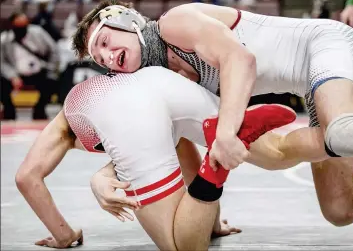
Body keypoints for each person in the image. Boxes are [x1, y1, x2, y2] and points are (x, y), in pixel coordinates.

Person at [71, 0, 353, 215]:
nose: (106, 57)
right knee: (340, 208)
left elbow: (240, 60)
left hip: (325, 45)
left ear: (126, 20)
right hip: (312, 84)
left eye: (104, 41)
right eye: (98, 58)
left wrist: (226, 132)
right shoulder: (157, 79)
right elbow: (160, 141)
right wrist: (101, 178)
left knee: (343, 132)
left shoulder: (173, 23)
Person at [16, 66, 296, 250]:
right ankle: (327, 141)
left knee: (180, 247)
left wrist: (65, 234)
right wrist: (211, 223)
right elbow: (184, 152)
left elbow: (26, 177)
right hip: (156, 89)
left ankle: (218, 160)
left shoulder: (67, 125)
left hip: (111, 109)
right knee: (278, 154)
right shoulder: (96, 112)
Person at [1, 12, 59, 120]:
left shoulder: (38, 33)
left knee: (52, 80)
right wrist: (12, 76)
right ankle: (9, 112)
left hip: (39, 72)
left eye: (24, 27)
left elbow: (53, 51)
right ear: (12, 27)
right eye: (18, 28)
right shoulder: (4, 40)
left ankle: (39, 110)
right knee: (2, 83)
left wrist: (51, 69)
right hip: (16, 75)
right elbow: (2, 62)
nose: (22, 31)